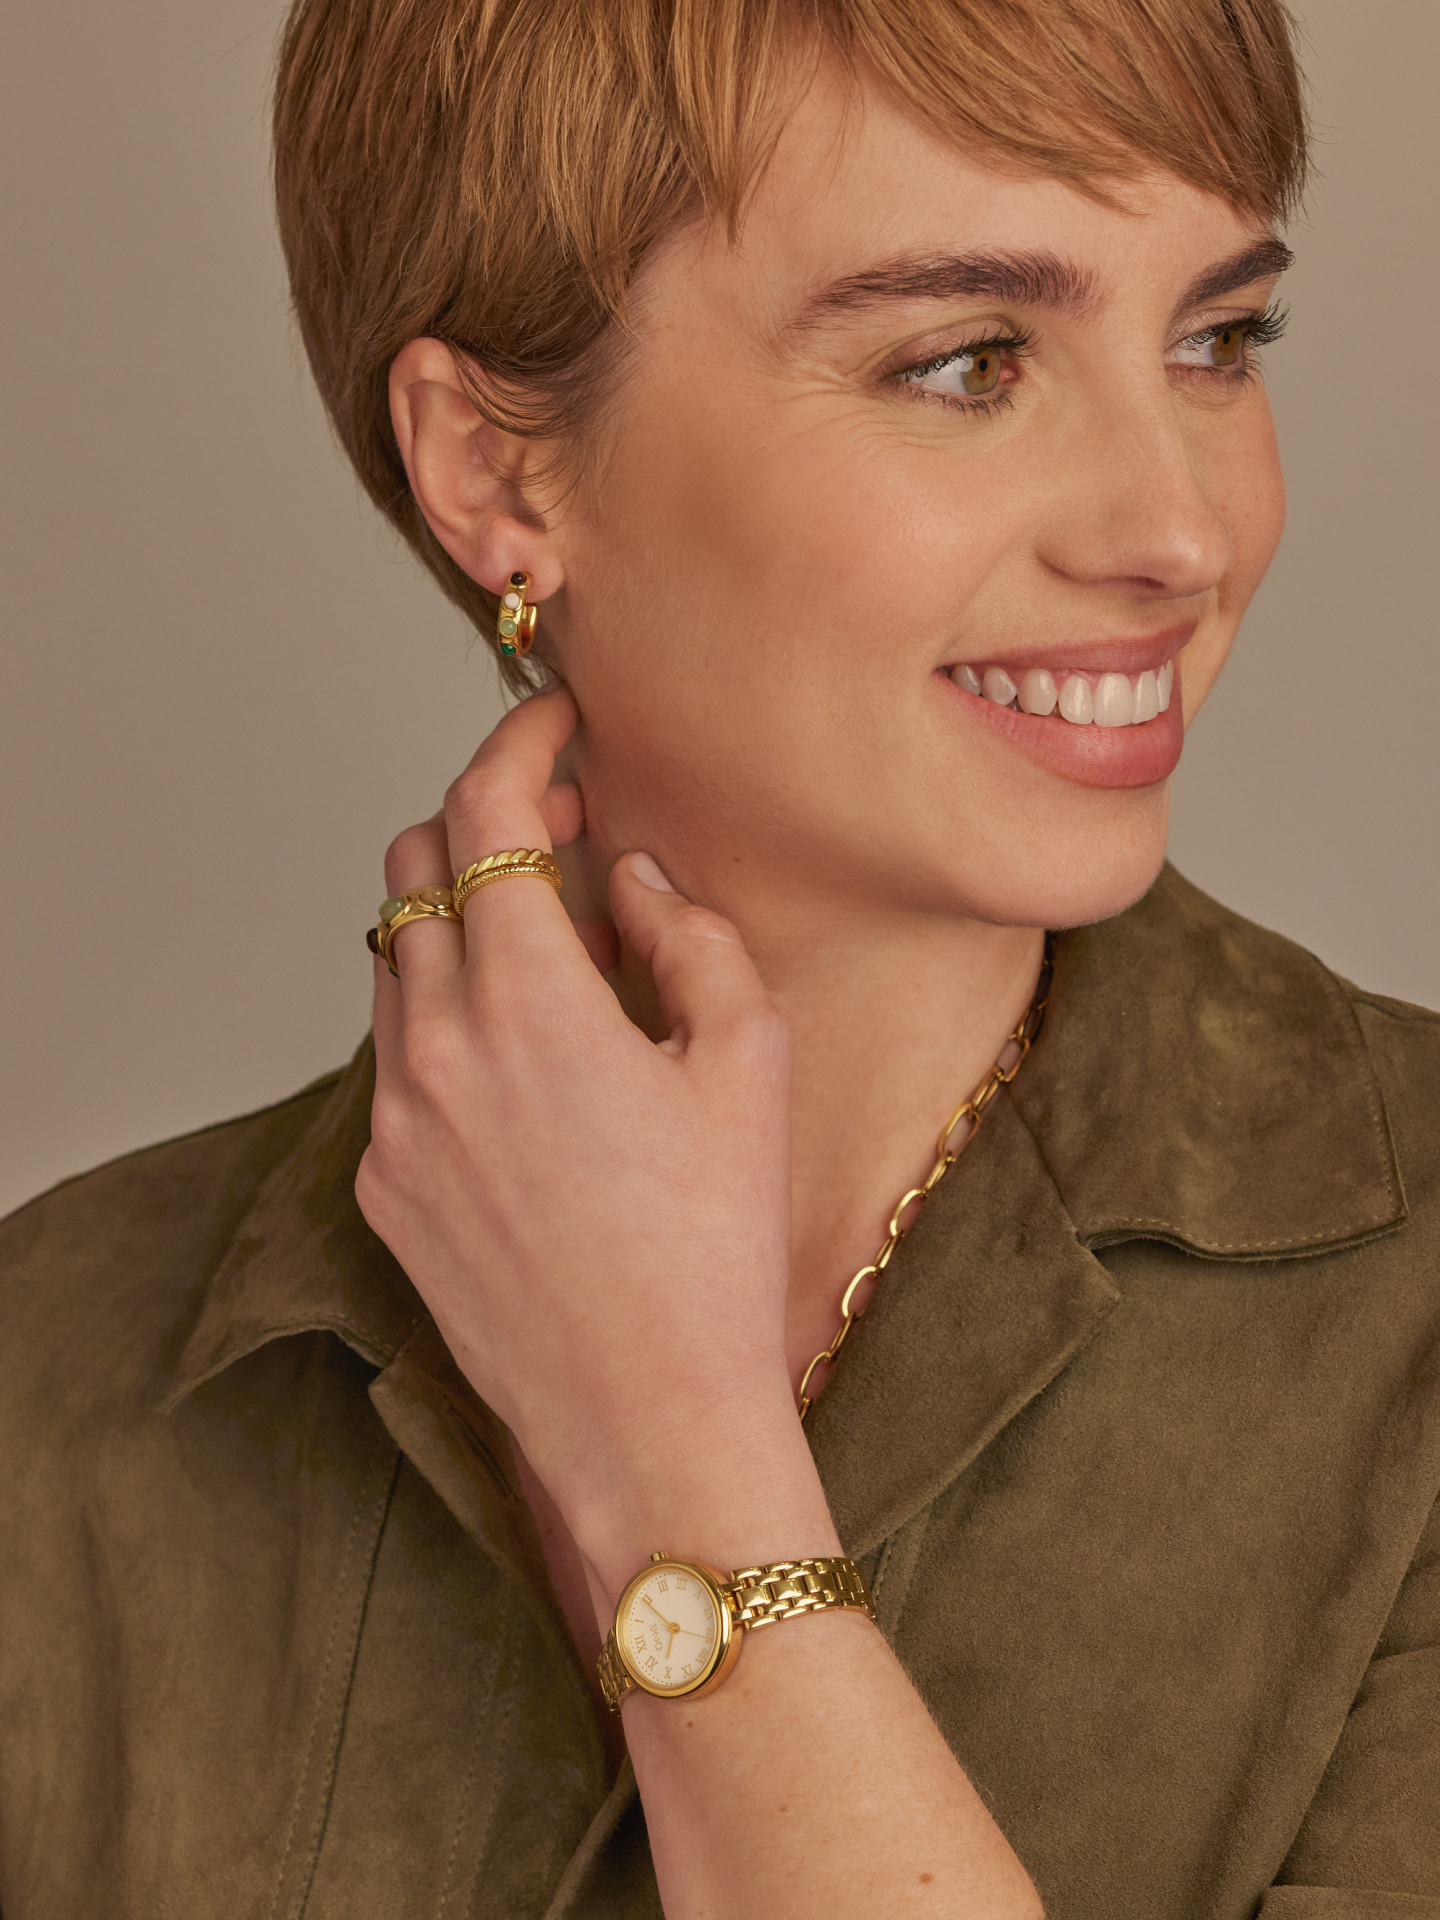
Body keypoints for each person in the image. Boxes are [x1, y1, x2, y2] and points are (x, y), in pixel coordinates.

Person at [2, 1, 1437, 1916]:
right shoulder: (52, 1373)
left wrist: (669, 1459)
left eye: (1216, 340)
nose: (1182, 529)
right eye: (967, 361)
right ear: (495, 470)